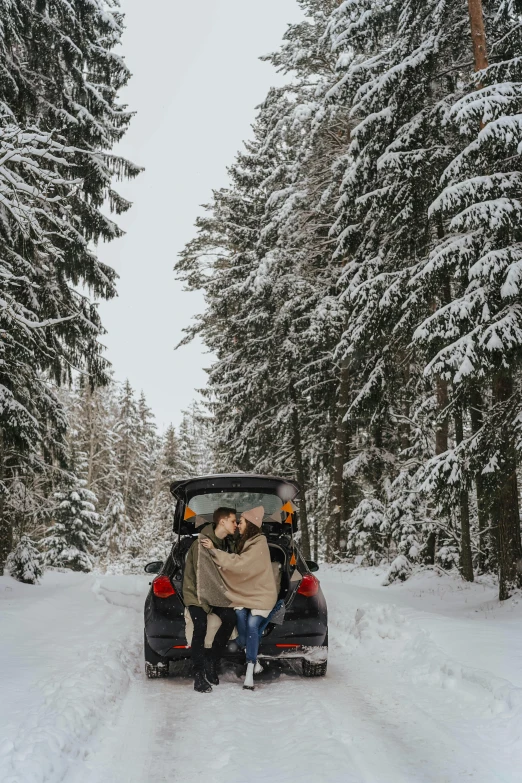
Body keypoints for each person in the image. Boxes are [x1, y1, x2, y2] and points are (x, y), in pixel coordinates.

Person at [201, 505, 277, 691]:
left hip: (261, 595)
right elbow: (240, 570)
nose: (238, 525)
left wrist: (214, 551)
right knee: (240, 618)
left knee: (251, 625)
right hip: (245, 594)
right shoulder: (246, 542)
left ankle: (250, 668)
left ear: (250, 524)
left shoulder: (259, 543)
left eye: (240, 522)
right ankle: (249, 651)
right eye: (237, 522)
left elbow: (240, 565)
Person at [183, 506, 238, 693]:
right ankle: (198, 675)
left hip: (215, 593)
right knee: (200, 626)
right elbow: (203, 577)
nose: (236, 524)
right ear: (222, 522)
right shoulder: (202, 543)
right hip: (196, 592)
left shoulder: (225, 543)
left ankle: (211, 661)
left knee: (231, 618)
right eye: (233, 521)